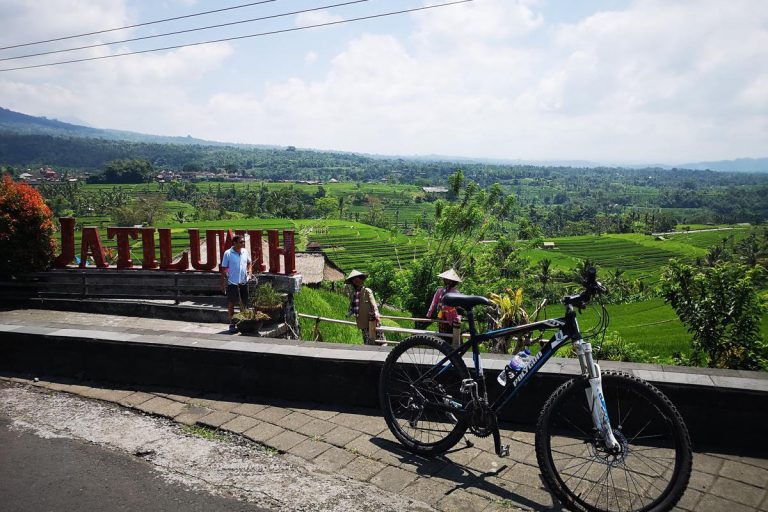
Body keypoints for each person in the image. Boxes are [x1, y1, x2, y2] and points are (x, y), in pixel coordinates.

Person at [220, 234, 253, 333]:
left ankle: (243, 322)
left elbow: (249, 263)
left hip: (243, 281)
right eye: (241, 242)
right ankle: (232, 323)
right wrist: (225, 278)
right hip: (232, 282)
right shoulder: (228, 253)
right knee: (232, 303)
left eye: (243, 242)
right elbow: (224, 267)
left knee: (244, 302)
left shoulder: (245, 252)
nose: (243, 244)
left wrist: (249, 272)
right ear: (234, 243)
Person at [346, 269, 381, 345]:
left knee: (375, 337)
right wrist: (350, 312)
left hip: (371, 320)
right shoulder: (354, 293)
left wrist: (376, 311)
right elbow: (353, 306)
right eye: (353, 279)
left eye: (357, 278)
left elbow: (373, 302)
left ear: (361, 279)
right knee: (366, 338)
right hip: (361, 320)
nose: (355, 281)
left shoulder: (367, 291)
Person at [426, 268, 463, 334]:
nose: (448, 281)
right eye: (446, 279)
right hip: (441, 315)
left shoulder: (456, 292)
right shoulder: (440, 291)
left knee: (452, 333)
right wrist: (429, 313)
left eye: (450, 280)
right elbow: (434, 302)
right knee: (443, 334)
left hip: (452, 316)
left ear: (454, 281)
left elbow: (459, 305)